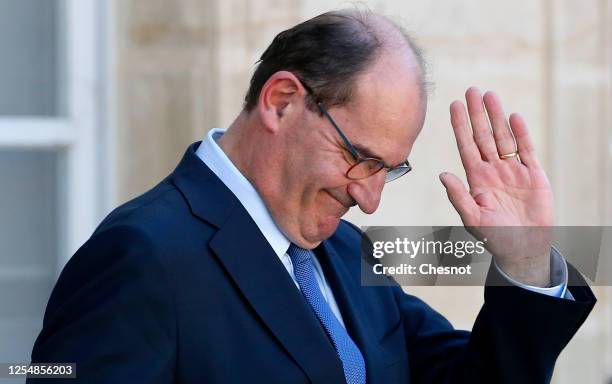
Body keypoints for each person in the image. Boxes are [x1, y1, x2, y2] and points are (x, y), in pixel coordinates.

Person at [29, 9, 595, 384]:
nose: (369, 198)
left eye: (389, 171)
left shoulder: (347, 252)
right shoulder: (144, 255)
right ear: (281, 101)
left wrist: (523, 259)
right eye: (360, 158)